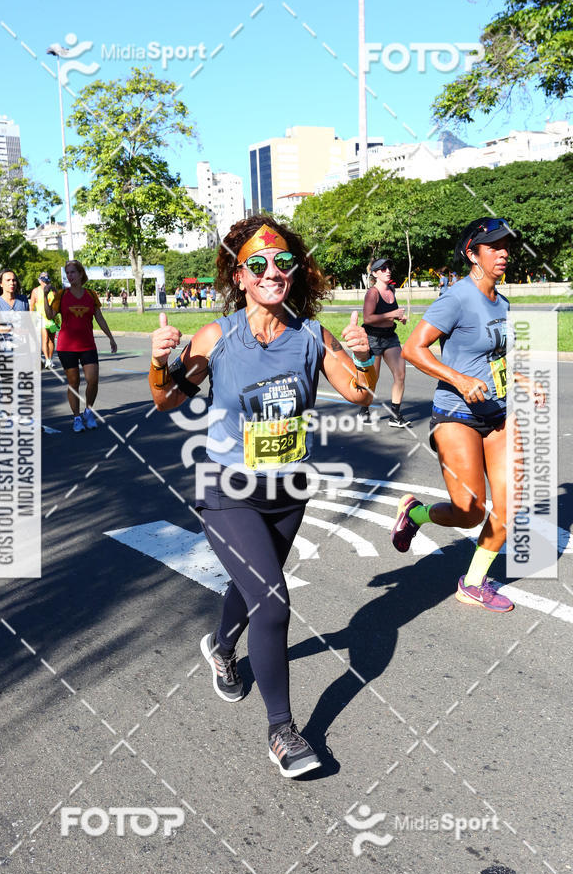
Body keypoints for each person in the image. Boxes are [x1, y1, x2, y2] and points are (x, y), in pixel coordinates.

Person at [149, 217, 377, 778]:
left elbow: (361, 394)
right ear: (240, 275)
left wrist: (365, 355)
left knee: (253, 586)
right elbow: (167, 400)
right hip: (227, 490)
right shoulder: (217, 336)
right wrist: (159, 360)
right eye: (258, 265)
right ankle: (283, 731)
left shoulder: (311, 335)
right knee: (272, 601)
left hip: (288, 491)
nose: (272, 272)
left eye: (282, 263)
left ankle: (221, 648)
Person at [391, 218, 544, 612]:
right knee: (469, 511)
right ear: (472, 254)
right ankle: (416, 513)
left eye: (507, 245)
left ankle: (473, 582)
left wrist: (522, 379)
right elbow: (413, 349)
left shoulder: (502, 302)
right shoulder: (455, 298)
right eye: (494, 246)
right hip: (456, 415)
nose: (504, 252)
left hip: (499, 414)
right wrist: (458, 379)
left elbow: (493, 358)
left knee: (511, 503)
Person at [43, 259, 117, 433]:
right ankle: (77, 417)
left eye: (73, 272)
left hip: (87, 345)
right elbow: (50, 315)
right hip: (66, 346)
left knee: (93, 380)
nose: (70, 276)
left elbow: (99, 317)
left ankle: (88, 411)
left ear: (81, 274)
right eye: (67, 273)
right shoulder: (61, 294)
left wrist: (111, 338)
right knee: (73, 382)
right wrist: (46, 297)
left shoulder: (91, 294)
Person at [360, 256, 410, 428]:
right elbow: (367, 318)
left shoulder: (391, 290)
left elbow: (390, 313)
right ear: (375, 273)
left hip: (390, 337)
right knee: (373, 379)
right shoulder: (372, 293)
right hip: (373, 338)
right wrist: (392, 314)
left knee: (400, 374)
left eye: (389, 268)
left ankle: (395, 415)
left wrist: (399, 318)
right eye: (383, 269)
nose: (387, 271)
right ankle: (364, 410)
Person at [30, 272, 60, 368]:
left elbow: (57, 304)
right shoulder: (35, 291)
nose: (45, 282)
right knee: (45, 338)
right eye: (43, 280)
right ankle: (47, 359)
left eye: (46, 280)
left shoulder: (53, 290)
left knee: (51, 340)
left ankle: (50, 359)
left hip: (52, 318)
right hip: (41, 318)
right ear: (39, 281)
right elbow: (31, 306)